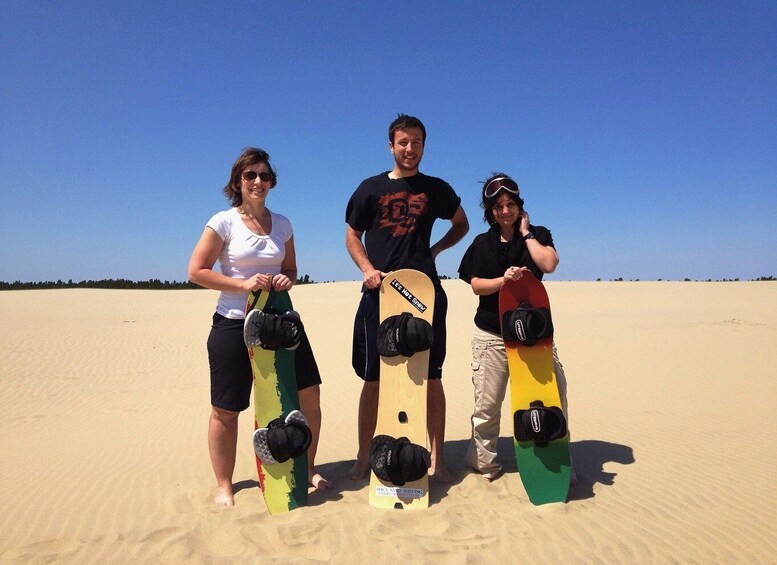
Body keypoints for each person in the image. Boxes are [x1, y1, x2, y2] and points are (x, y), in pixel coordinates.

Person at [188, 147, 330, 505]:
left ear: (272, 182)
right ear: (238, 181)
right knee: (226, 408)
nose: (258, 181)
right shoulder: (223, 221)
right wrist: (243, 284)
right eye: (250, 175)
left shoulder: (282, 224)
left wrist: (286, 281)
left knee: (309, 393)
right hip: (234, 324)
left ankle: (307, 467)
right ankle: (225, 484)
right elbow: (196, 272)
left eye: (264, 176)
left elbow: (292, 270)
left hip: (281, 325)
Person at [345, 114, 469, 482]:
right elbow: (352, 235)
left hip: (424, 294)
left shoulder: (436, 188)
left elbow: (461, 224)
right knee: (374, 377)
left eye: (416, 142)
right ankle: (364, 455)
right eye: (403, 142)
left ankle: (438, 458)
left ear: (423, 146)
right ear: (391, 145)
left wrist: (435, 251)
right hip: (379, 292)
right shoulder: (369, 188)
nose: (409, 149)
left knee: (431, 377)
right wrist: (367, 268)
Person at [457, 173, 574, 482]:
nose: (505, 211)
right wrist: (503, 281)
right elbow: (477, 285)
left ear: (520, 206)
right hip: (492, 335)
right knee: (487, 405)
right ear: (490, 211)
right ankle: (484, 462)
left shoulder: (538, 234)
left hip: (534, 339)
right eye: (498, 206)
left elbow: (548, 264)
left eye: (510, 204)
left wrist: (526, 235)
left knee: (552, 399)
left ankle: (557, 464)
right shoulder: (482, 244)